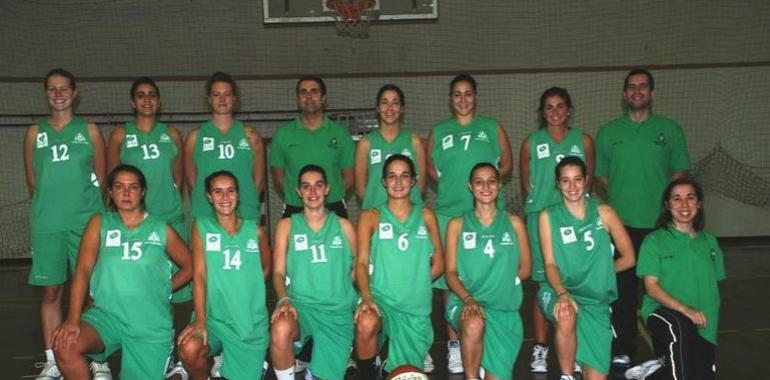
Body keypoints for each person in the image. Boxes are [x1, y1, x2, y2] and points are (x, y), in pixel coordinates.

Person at [50, 165, 192, 380]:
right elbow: (83, 271)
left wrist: (164, 288)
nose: (126, 193)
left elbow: (192, 265)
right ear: (110, 191)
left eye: (133, 187)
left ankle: (173, 371)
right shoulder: (100, 223)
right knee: (65, 344)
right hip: (107, 315)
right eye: (119, 187)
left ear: (142, 192)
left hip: (149, 320)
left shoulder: (160, 228)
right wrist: (72, 318)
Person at [595, 68, 691, 367]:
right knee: (621, 293)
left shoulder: (670, 130)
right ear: (624, 94)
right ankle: (622, 348)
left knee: (663, 290)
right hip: (621, 226)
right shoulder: (609, 132)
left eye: (643, 86)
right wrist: (625, 199)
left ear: (651, 92)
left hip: (660, 226)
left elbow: (679, 173)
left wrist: (664, 204)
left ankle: (670, 349)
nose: (637, 91)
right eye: (631, 87)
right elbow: (602, 176)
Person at [23, 68, 107, 380]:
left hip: (84, 224)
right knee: (51, 293)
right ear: (47, 94)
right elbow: (34, 183)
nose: (58, 94)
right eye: (52, 89)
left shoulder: (91, 131)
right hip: (47, 224)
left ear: (74, 93)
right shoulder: (34, 132)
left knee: (90, 293)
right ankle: (52, 361)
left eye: (63, 89)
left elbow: (101, 179)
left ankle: (97, 360)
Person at [426, 73, 513, 373]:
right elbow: (432, 171)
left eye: (468, 94)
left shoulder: (492, 127)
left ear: (476, 96)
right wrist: (454, 188)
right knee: (449, 280)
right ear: (450, 99)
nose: (463, 100)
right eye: (457, 94)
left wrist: (483, 192)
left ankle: (488, 328)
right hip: (449, 214)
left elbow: (507, 165)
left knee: (487, 272)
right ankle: (454, 344)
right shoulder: (439, 131)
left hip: (487, 216)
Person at [519, 87, 595, 373]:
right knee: (543, 285)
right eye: (548, 107)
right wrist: (544, 206)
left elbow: (587, 184)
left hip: (575, 221)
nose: (555, 112)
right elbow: (528, 184)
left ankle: (574, 345)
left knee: (574, 283)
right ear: (542, 112)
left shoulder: (584, 141)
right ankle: (541, 347)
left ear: (569, 109)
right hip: (542, 220)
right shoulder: (530, 143)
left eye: (560, 106)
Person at [538, 156, 635, 380]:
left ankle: (581, 361)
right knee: (565, 314)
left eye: (577, 179)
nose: (572, 186)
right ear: (557, 183)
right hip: (559, 290)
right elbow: (550, 264)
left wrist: (601, 273)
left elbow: (629, 258)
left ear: (587, 180)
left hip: (595, 300)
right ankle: (567, 375)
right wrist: (561, 293)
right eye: (565, 180)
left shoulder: (605, 213)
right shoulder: (548, 216)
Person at [106, 77, 191, 314]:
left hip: (169, 218)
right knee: (139, 285)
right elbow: (113, 179)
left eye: (152, 95)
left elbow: (178, 179)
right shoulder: (120, 135)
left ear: (159, 101)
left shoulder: (172, 134)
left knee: (178, 291)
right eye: (141, 95)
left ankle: (176, 345)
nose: (147, 99)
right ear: (133, 103)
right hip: (136, 224)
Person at [354, 154, 444, 379]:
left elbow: (439, 264)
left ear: (413, 180)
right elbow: (361, 263)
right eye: (392, 176)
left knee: (405, 374)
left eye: (404, 176)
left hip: (415, 306)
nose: (398, 182)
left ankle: (392, 363)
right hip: (381, 299)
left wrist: (416, 284)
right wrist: (366, 296)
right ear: (383, 181)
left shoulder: (426, 216)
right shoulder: (370, 216)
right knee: (366, 322)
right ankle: (369, 374)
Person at [625, 178, 725, 380]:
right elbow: (651, 288)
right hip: (663, 313)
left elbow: (713, 286)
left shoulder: (710, 242)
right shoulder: (654, 241)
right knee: (681, 327)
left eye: (690, 197)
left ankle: (654, 372)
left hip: (703, 322)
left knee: (696, 373)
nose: (684, 204)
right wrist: (686, 309)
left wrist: (703, 315)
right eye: (677, 199)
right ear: (668, 206)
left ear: (699, 204)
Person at [177, 170, 271, 380]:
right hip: (213, 318)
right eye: (217, 192)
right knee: (190, 349)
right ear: (209, 197)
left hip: (247, 322)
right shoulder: (201, 227)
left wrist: (244, 288)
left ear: (238, 194)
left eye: (230, 191)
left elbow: (265, 268)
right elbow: (199, 275)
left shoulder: (256, 232)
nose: (225, 197)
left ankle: (251, 361)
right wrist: (200, 321)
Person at [269, 165, 358, 380]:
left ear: (327, 189)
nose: (313, 192)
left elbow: (356, 268)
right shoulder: (287, 225)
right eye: (306, 187)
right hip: (301, 307)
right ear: (298, 192)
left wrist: (344, 292)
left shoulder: (344, 226)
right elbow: (278, 273)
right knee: (280, 329)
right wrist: (284, 300)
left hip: (336, 312)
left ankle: (335, 357)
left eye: (318, 185)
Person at [445, 162, 532, 380]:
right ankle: (471, 376)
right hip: (466, 302)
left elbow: (526, 268)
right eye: (479, 182)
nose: (485, 187)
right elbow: (451, 273)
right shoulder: (457, 224)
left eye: (491, 181)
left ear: (499, 185)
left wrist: (499, 286)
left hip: (503, 308)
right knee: (474, 322)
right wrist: (469, 298)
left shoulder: (514, 223)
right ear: (470, 187)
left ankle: (484, 359)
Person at [270, 75, 355, 218]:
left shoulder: (341, 134)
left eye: (314, 91)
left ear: (323, 98)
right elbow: (278, 178)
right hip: (295, 208)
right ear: (297, 99)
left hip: (333, 208)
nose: (309, 96)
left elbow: (349, 178)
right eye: (303, 92)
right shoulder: (282, 134)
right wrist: (303, 197)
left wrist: (325, 197)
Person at [185, 71, 265, 222]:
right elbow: (192, 183)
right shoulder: (195, 137)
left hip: (245, 212)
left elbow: (259, 180)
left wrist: (248, 200)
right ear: (209, 99)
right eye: (216, 94)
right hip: (206, 213)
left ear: (234, 98)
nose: (222, 99)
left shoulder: (251, 135)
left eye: (227, 94)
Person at [355, 84, 425, 209]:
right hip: (376, 215)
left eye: (395, 103)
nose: (390, 108)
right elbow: (361, 190)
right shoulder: (365, 143)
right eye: (384, 102)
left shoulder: (414, 141)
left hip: (408, 218)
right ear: (377, 108)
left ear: (402, 108)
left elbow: (421, 186)